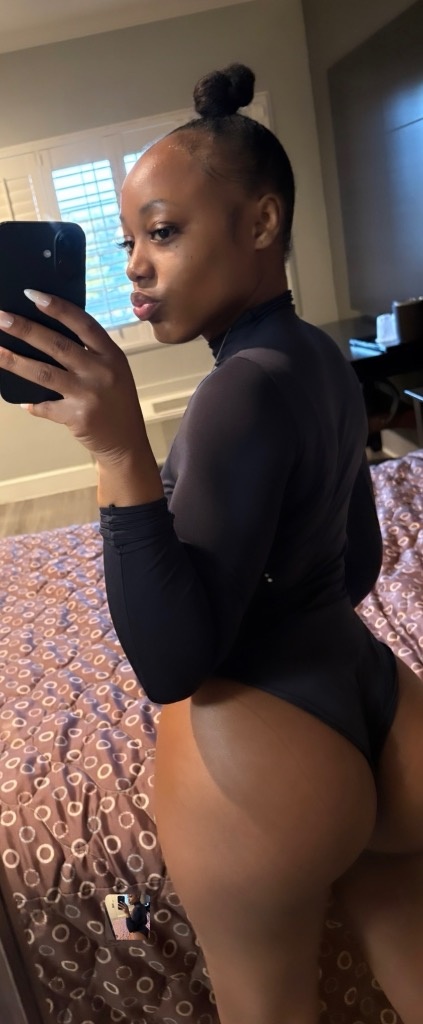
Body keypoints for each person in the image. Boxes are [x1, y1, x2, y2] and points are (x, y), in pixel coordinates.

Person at [0, 61, 422, 1024]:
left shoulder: (236, 391)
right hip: (383, 709)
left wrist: (118, 449)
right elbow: (356, 565)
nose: (136, 268)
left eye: (164, 233)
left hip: (275, 760)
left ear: (261, 222)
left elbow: (171, 663)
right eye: (128, 243)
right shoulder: (319, 356)